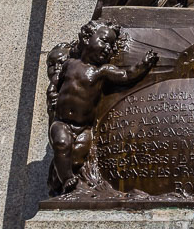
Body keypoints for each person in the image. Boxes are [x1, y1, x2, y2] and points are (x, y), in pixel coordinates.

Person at [48, 20, 157, 194]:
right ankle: (66, 179)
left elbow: (126, 75)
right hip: (62, 122)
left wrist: (144, 64)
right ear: (86, 38)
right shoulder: (69, 64)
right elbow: (55, 83)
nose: (108, 48)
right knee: (61, 144)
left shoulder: (102, 71)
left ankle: (60, 179)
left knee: (76, 158)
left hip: (83, 128)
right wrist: (52, 93)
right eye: (104, 41)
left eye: (112, 46)